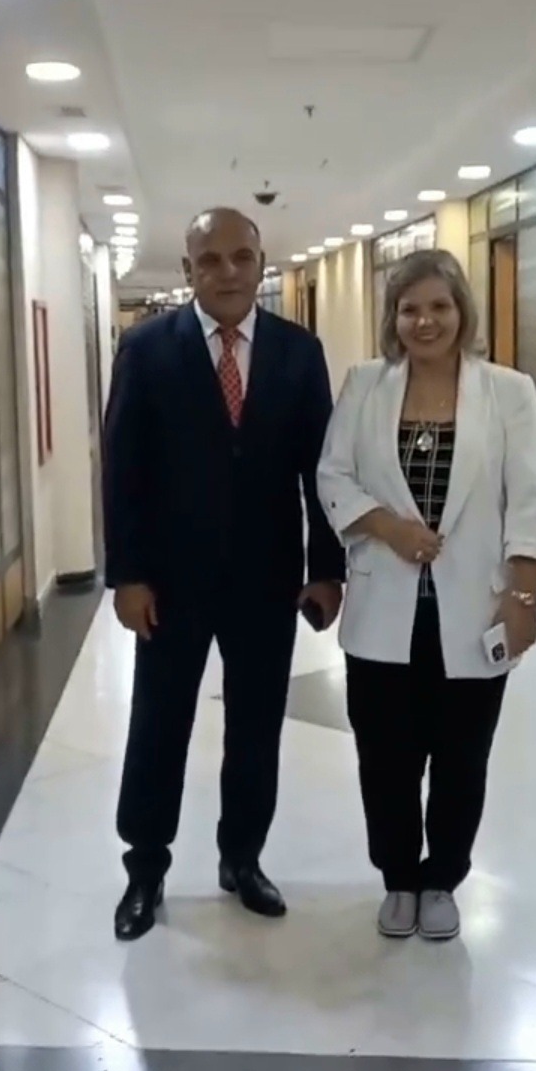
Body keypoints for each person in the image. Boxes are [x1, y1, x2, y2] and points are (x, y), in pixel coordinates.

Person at [103, 207, 344, 941]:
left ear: (263, 263)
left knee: (256, 727)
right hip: (170, 584)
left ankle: (242, 857)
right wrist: (128, 575)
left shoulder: (300, 353)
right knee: (159, 723)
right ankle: (145, 868)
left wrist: (327, 568)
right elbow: (124, 468)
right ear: (187, 272)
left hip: (267, 579)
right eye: (211, 260)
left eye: (243, 257)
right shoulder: (145, 349)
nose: (229, 272)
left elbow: (323, 471)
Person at [317, 248, 536, 941]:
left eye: (439, 307)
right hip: (382, 610)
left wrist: (525, 597)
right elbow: (332, 476)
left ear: (461, 313)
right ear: (393, 317)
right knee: (385, 758)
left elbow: (528, 499)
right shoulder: (365, 385)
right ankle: (397, 876)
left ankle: (442, 878)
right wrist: (387, 526)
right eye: (410, 308)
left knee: (461, 757)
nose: (425, 320)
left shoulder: (508, 392)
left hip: (473, 609)